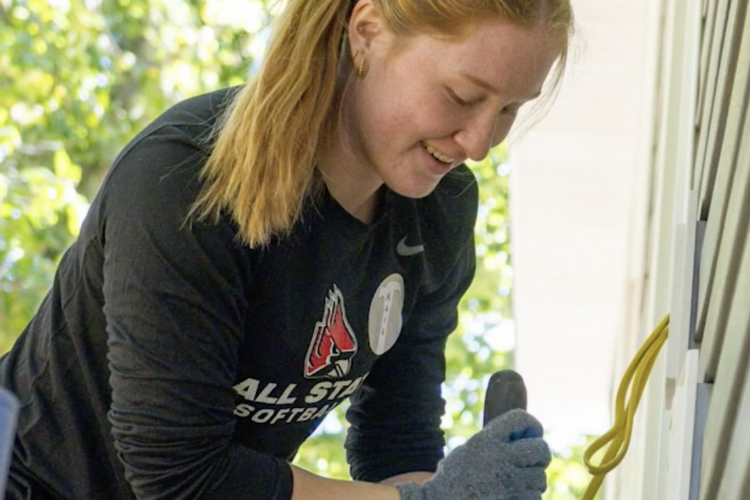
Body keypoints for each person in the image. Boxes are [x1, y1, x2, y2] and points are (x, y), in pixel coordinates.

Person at [0, 0, 573, 498]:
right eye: (462, 95)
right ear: (367, 32)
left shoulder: (439, 210)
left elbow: (396, 436)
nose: (478, 145)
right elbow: (178, 475)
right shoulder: (183, 182)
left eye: (507, 111)